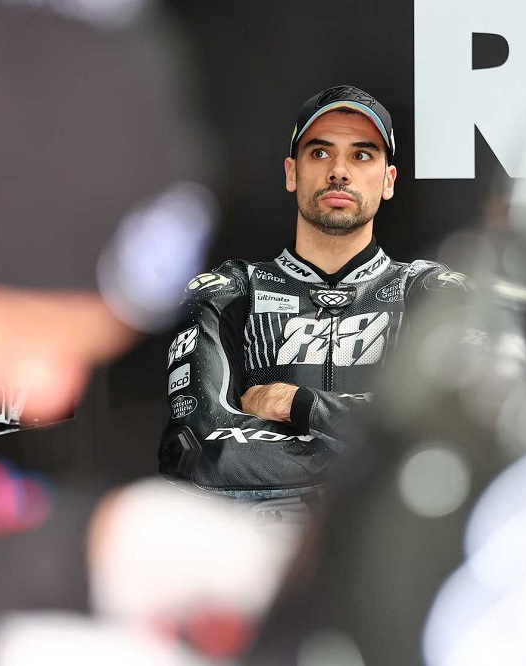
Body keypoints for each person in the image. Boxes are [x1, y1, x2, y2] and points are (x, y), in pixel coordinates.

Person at [158, 84, 467, 499]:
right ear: (292, 173)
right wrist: (377, 452)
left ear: (388, 180)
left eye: (361, 155)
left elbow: (458, 432)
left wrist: (299, 404)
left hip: (385, 535)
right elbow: (198, 451)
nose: (339, 171)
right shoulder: (227, 293)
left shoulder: (431, 293)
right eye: (320, 153)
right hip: (260, 534)